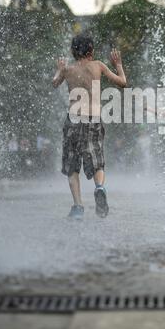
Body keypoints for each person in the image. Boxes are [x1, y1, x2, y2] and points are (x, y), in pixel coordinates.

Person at [52, 34, 127, 220]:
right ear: (91, 51)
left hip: (73, 120)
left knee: (72, 165)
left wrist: (59, 70)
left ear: (72, 51)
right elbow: (123, 83)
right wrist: (118, 65)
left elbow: (54, 83)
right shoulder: (98, 66)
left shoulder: (68, 69)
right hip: (93, 119)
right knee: (96, 158)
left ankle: (78, 206)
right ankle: (99, 187)